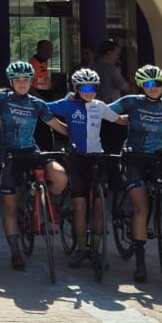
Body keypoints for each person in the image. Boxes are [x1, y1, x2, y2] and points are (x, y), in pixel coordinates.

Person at [0, 60, 70, 270]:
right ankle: (15, 252)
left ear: (31, 82)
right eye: (18, 80)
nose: (22, 84)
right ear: (11, 81)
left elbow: (57, 125)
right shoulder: (2, 98)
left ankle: (41, 202)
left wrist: (79, 138)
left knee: (59, 176)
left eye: (26, 80)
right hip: (10, 154)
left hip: (31, 151)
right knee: (10, 207)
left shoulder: (37, 104)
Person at [110, 65, 162, 283]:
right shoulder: (132, 102)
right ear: (141, 86)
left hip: (157, 156)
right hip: (134, 156)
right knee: (141, 207)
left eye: (157, 84)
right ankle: (140, 264)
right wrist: (116, 118)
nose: (153, 88)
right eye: (148, 84)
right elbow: (104, 110)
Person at [46, 68, 122, 270]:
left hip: (97, 158)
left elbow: (120, 119)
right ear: (76, 88)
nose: (89, 92)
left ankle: (95, 250)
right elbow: (44, 108)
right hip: (77, 159)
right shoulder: (69, 104)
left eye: (93, 88)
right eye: (85, 88)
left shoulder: (100, 106)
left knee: (98, 206)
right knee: (79, 206)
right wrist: (60, 127)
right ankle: (81, 249)